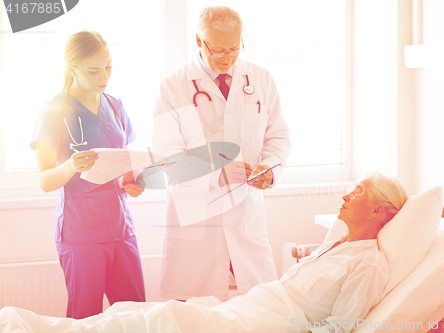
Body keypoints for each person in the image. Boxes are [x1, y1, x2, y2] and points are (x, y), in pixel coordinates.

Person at [0, 172, 408, 333]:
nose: (345, 193)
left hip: (271, 322)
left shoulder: (368, 263)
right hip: (255, 305)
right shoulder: (337, 244)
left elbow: (343, 326)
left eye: (356, 192)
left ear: (379, 210)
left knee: (165, 317)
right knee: (132, 313)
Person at [153, 6, 291, 301]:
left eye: (234, 48)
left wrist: (269, 170)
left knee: (259, 307)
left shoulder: (260, 79)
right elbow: (168, 156)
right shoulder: (172, 88)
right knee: (192, 312)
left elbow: (277, 136)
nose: (228, 58)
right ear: (199, 42)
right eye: (219, 51)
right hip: (196, 218)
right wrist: (218, 175)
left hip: (245, 212)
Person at [29, 30, 146, 319]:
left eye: (108, 66)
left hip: (120, 228)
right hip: (81, 233)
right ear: (72, 69)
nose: (104, 75)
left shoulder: (116, 106)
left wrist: (135, 181)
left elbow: (126, 165)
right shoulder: (54, 110)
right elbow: (45, 181)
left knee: (136, 315)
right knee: (85, 318)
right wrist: (71, 165)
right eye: (93, 70)